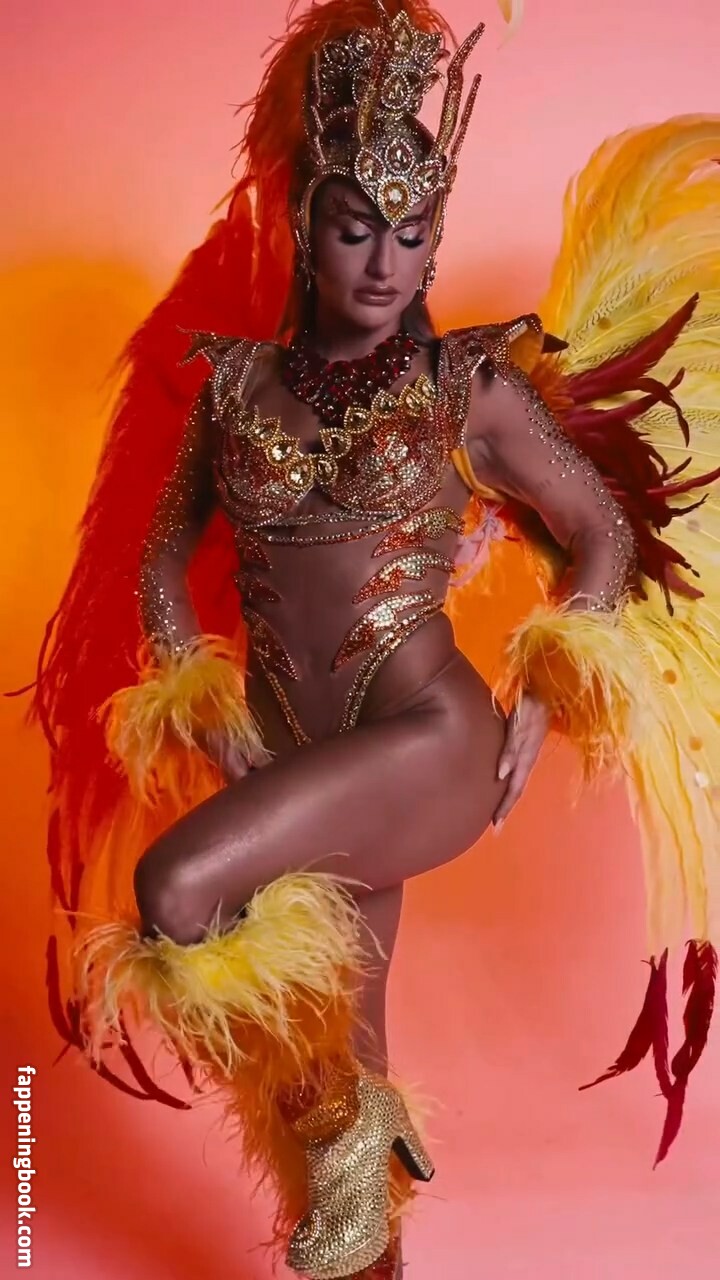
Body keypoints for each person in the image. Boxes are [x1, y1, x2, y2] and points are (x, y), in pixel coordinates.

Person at [29, 3, 720, 1278]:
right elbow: (160, 561)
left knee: (178, 893)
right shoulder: (232, 387)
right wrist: (198, 696)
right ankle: (365, 1214)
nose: (387, 262)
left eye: (413, 233)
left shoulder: (468, 386)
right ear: (306, 224)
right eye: (358, 229)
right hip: (289, 748)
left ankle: (350, 1148)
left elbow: (599, 530)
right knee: (343, 1056)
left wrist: (550, 674)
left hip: (428, 740)